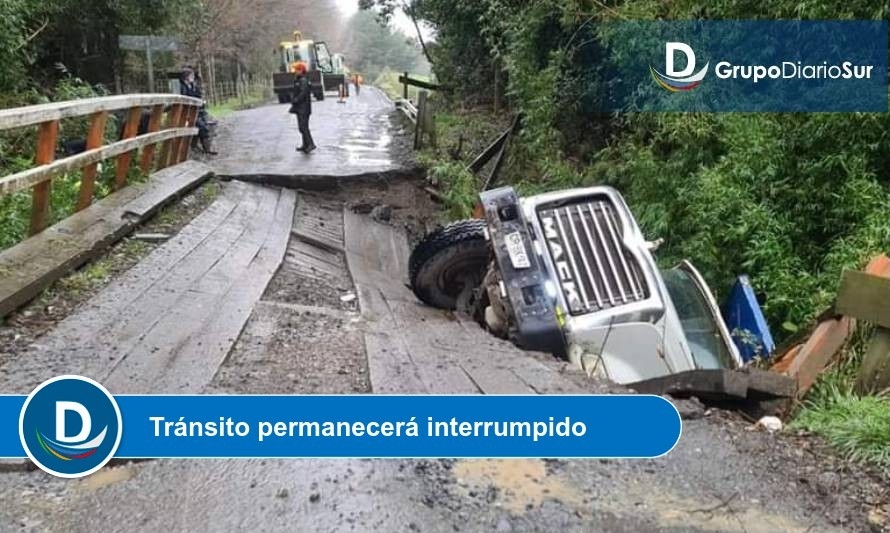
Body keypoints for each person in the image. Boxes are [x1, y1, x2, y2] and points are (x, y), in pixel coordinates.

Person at [180, 67, 217, 155]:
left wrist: (202, 101)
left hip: (198, 111)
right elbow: (184, 100)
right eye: (191, 75)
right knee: (201, 125)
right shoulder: (182, 87)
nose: (192, 77)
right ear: (186, 77)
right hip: (188, 113)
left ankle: (202, 146)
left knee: (210, 122)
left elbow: (198, 96)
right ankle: (205, 148)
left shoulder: (193, 86)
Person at [289, 63, 316, 153]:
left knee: (303, 127)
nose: (295, 72)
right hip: (300, 107)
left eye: (296, 70)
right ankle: (305, 144)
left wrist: (296, 100)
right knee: (302, 127)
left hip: (303, 108)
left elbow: (303, 93)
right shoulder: (299, 80)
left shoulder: (303, 80)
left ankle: (311, 144)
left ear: (301, 70)